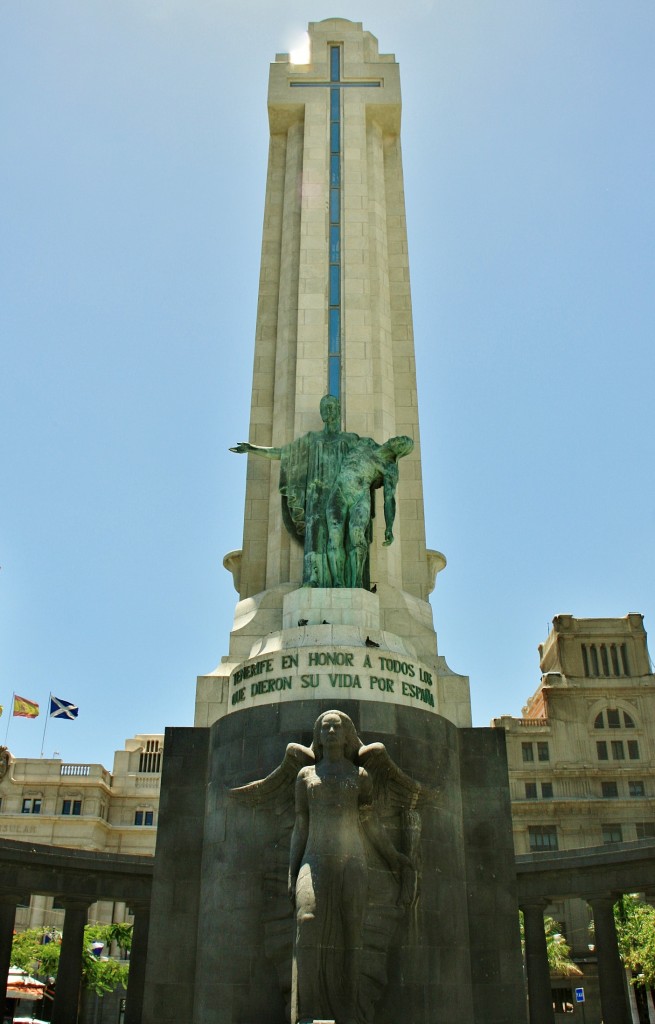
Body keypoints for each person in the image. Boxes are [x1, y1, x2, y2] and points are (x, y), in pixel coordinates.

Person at [288, 710, 412, 1024]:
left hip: (352, 862)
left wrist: (393, 855)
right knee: (307, 921)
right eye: (325, 727)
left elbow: (370, 822)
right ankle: (306, 1013)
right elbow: (300, 825)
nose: (331, 731)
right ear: (318, 735)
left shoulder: (360, 777)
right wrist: (292, 871)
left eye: (337, 727)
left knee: (352, 936)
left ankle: (348, 1014)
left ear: (347, 735)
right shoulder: (305, 776)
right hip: (313, 859)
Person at [230, 396, 358, 587]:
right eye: (324, 408)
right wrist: (253, 449)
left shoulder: (350, 440)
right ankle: (314, 579)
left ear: (338, 409)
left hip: (340, 497)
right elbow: (283, 453)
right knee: (315, 538)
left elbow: (369, 460)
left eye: (331, 407)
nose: (327, 411)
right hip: (316, 496)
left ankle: (340, 579)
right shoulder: (312, 440)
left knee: (337, 538)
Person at [325, 435, 414, 588]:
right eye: (400, 438)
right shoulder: (367, 442)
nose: (397, 439)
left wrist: (389, 527)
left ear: (400, 451)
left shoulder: (389, 468)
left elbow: (389, 499)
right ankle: (337, 581)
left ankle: (357, 581)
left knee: (357, 535)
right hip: (339, 491)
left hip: (360, 497)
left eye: (402, 443)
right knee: (334, 535)